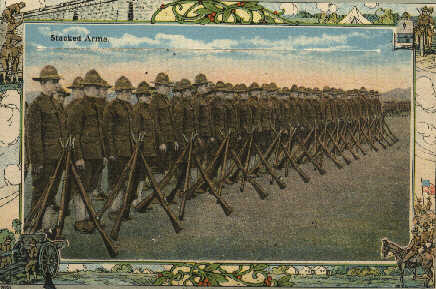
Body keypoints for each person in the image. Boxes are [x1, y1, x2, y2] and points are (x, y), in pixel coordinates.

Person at [68, 69, 107, 233]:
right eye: (94, 87)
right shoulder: (79, 107)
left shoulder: (98, 106)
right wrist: (78, 157)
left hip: (97, 154)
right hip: (84, 155)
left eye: (98, 87)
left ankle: (88, 217)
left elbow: (101, 132)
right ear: (86, 88)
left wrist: (104, 154)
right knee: (81, 188)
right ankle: (80, 220)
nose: (98, 90)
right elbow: (74, 134)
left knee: (90, 188)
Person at [28, 65, 66, 220]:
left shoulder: (55, 104)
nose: (56, 84)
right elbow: (33, 136)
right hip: (44, 159)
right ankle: (33, 226)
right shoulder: (36, 105)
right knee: (40, 193)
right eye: (52, 81)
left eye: (56, 81)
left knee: (51, 194)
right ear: (43, 83)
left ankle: (46, 227)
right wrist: (37, 162)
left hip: (57, 157)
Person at [104, 76, 135, 220]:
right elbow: (108, 132)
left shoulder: (129, 107)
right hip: (117, 151)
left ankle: (122, 209)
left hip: (129, 150)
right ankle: (114, 210)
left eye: (129, 91)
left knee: (126, 180)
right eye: (125, 91)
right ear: (118, 92)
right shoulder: (111, 108)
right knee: (116, 180)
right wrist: (110, 152)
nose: (128, 94)